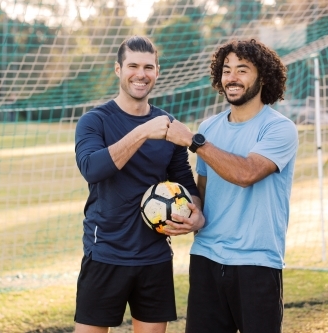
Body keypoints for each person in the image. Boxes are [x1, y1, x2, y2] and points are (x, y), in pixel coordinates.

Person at [164, 39, 299, 333]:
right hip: (206, 257)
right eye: (226, 70)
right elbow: (203, 191)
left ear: (262, 77)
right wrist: (194, 214)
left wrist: (194, 141)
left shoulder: (278, 128)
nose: (232, 78)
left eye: (242, 70)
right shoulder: (210, 128)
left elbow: (246, 173)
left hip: (257, 262)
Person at [74, 35, 205, 333]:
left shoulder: (168, 124)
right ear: (118, 69)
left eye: (148, 67)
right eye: (133, 65)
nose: (141, 74)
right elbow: (92, 169)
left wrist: (196, 213)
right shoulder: (95, 121)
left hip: (154, 256)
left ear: (157, 71)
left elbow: (184, 181)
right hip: (105, 252)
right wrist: (143, 131)